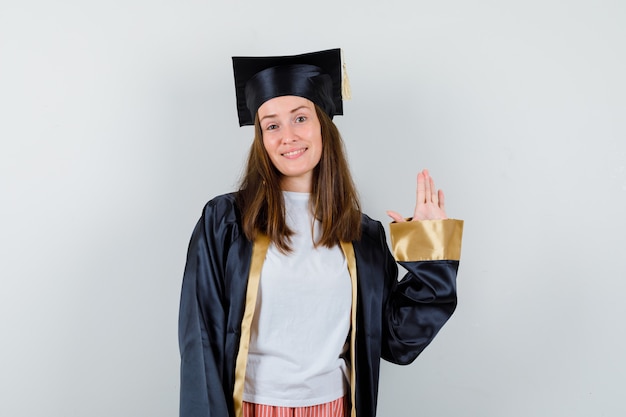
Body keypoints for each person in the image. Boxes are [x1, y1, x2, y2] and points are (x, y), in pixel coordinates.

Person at [178, 48, 464, 417]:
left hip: (334, 408)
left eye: (300, 117)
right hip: (248, 407)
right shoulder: (226, 221)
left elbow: (398, 341)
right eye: (272, 124)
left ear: (323, 125)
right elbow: (200, 339)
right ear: (261, 139)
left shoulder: (362, 236)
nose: (288, 136)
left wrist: (430, 245)